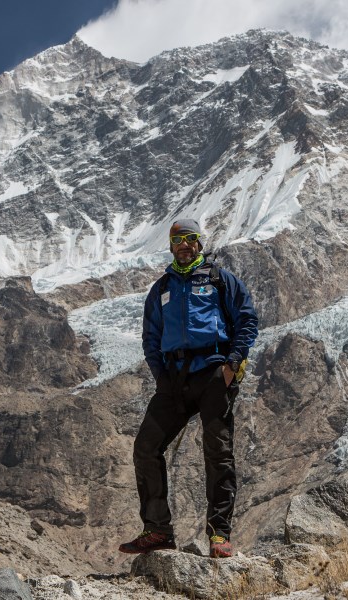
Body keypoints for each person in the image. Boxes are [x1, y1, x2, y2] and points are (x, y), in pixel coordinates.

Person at [118, 218, 258, 559]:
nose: (185, 245)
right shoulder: (161, 289)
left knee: (218, 453)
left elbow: (247, 319)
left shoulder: (219, 281)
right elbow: (150, 338)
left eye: (191, 239)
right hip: (174, 380)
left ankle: (219, 535)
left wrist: (232, 363)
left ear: (200, 243)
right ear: (171, 245)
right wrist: (161, 378)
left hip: (213, 373)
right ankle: (158, 530)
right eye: (178, 239)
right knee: (146, 448)